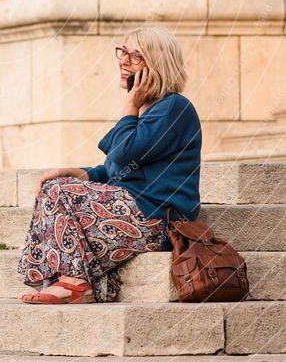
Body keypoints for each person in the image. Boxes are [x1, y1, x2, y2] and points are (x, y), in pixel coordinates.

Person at [17, 25, 202, 304]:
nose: (124, 61)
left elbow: (125, 155)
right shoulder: (149, 108)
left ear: (158, 63)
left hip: (158, 218)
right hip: (133, 210)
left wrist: (130, 105)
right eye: (123, 52)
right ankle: (83, 282)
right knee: (53, 185)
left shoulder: (174, 108)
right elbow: (119, 170)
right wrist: (83, 173)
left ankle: (76, 283)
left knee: (61, 192)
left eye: (136, 55)